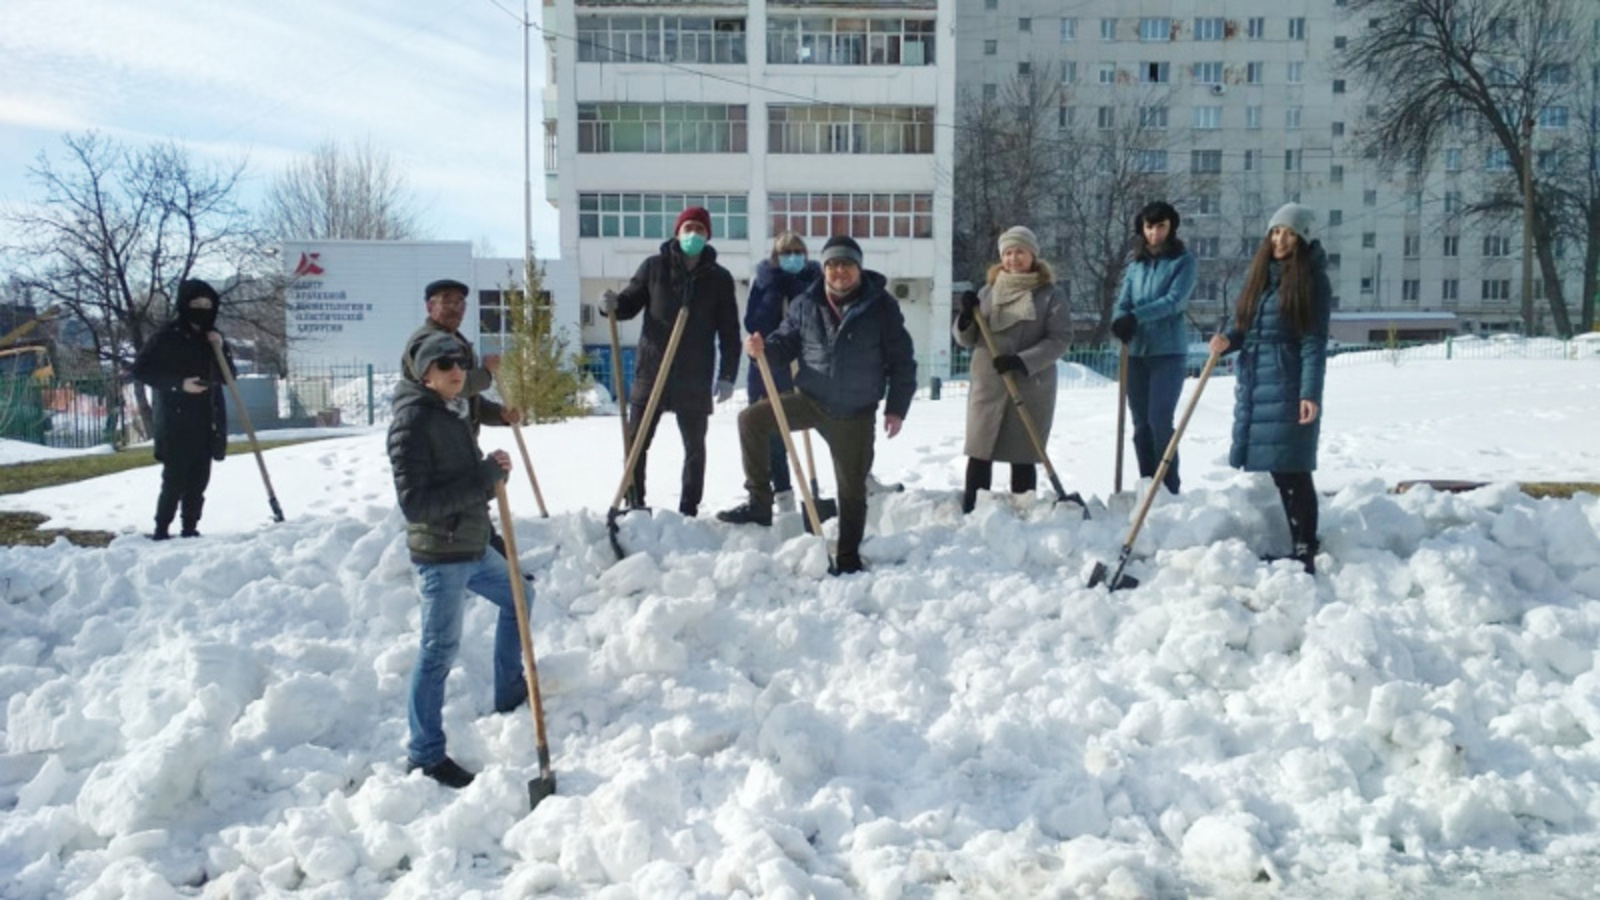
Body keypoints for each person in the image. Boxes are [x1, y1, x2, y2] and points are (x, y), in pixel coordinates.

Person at [717, 235, 917, 575]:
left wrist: (896, 407)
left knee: (851, 489)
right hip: (812, 400)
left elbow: (903, 362)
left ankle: (849, 557)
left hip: (855, 412)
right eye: (833, 265)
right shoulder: (806, 303)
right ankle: (760, 502)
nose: (840, 271)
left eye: (847, 264)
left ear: (858, 268)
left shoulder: (880, 306)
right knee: (751, 420)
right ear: (824, 269)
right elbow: (785, 341)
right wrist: (762, 349)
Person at [388, 331, 529, 789]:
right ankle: (425, 755)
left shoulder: (452, 414)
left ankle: (509, 691)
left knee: (520, 598)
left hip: (470, 545)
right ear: (425, 376)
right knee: (438, 652)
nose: (455, 371)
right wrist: (484, 478)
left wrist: (489, 471)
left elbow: (464, 479)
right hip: (442, 555)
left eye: (459, 365)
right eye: (443, 365)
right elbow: (416, 505)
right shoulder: (412, 423)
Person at [1208, 203, 1331, 574]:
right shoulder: (1262, 277)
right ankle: (1302, 543)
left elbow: (1313, 341)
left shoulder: (1312, 281)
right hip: (1259, 380)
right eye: (1276, 231)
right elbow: (1246, 328)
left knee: (1292, 467)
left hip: (1288, 380)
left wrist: (1309, 393)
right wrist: (1228, 340)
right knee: (1282, 468)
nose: (1280, 239)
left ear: (1302, 239)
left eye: (1290, 233)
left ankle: (1305, 548)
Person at [601, 206, 740, 517]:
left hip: (694, 374)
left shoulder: (719, 278)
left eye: (700, 230)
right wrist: (610, 305)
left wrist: (728, 373)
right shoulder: (654, 268)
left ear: (708, 236)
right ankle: (634, 504)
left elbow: (730, 331)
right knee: (636, 442)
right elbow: (628, 304)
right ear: (678, 232)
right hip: (652, 371)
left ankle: (688, 509)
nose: (694, 234)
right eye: (688, 227)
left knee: (694, 449)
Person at [952, 226, 1071, 514]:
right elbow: (966, 339)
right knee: (980, 450)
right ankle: (973, 509)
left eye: (1019, 251)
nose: (1013, 258)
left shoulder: (1050, 295)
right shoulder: (988, 292)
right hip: (989, 384)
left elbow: (1060, 339)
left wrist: (1022, 361)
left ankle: (1022, 511)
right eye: (1007, 252)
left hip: (1030, 385)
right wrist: (966, 316)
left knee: (1024, 452)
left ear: (1033, 255)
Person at [131, 279, 236, 540]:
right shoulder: (167, 336)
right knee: (175, 479)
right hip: (176, 418)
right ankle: (162, 529)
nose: (202, 309)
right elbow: (141, 369)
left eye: (207, 304)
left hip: (207, 417)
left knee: (199, 480)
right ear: (184, 304)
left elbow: (229, 376)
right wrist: (179, 385)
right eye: (196, 303)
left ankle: (190, 528)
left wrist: (221, 347)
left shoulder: (212, 338)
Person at [1112, 201, 1196, 495]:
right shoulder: (1136, 265)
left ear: (1171, 227)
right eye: (1149, 227)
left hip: (1168, 352)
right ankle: (1147, 486)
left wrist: (1136, 316)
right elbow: (1123, 301)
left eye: (1161, 226)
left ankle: (1169, 488)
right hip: (1136, 353)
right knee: (1140, 425)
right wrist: (1119, 321)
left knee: (1160, 420)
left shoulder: (1183, 262)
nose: (1155, 233)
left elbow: (1174, 301)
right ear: (1142, 229)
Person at [744, 232, 822, 510]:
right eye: (786, 252)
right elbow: (753, 321)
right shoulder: (765, 283)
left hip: (809, 367)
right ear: (776, 257)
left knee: (830, 422)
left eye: (797, 251)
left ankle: (853, 480)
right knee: (773, 429)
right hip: (772, 368)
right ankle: (784, 491)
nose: (792, 257)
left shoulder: (816, 283)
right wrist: (776, 290)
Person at [401, 278, 522, 434]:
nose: (455, 308)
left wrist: (499, 414)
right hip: (435, 439)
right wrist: (485, 372)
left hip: (459, 440)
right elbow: (452, 387)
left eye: (460, 303)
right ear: (430, 307)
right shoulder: (429, 343)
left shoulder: (457, 340)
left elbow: (465, 399)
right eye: (447, 301)